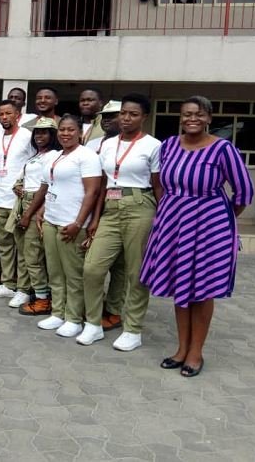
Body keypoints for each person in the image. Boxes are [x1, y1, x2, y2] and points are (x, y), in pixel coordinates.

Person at [141, 96, 253, 377]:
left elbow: (243, 193)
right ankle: (181, 349)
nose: (192, 118)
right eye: (187, 114)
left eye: (199, 114)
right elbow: (161, 185)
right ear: (181, 117)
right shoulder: (168, 146)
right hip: (173, 223)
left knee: (201, 289)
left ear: (209, 118)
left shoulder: (222, 149)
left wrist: (220, 222)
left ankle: (196, 353)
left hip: (209, 228)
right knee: (181, 286)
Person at [80, 93, 162, 350]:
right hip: (110, 208)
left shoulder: (153, 145)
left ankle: (133, 329)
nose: (126, 118)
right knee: (92, 268)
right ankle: (93, 324)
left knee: (135, 272)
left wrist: (161, 219)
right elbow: (103, 182)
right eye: (123, 113)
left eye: (133, 114)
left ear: (144, 117)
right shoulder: (106, 144)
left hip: (140, 205)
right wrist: (95, 218)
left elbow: (159, 186)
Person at [20, 115, 101, 337]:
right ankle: (58, 312)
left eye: (70, 130)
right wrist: (40, 211)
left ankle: (74, 318)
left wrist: (78, 223)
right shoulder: (54, 156)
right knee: (55, 271)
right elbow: (47, 187)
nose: (65, 133)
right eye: (62, 130)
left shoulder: (87, 156)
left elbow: (92, 192)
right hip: (51, 220)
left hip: (72, 223)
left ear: (79, 132)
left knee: (73, 274)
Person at [83, 99, 128, 331]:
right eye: (105, 116)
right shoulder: (93, 145)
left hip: (124, 207)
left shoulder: (138, 144)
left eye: (114, 115)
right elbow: (95, 183)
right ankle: (92, 305)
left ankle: (113, 310)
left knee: (119, 266)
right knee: (92, 264)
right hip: (95, 206)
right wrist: (93, 216)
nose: (108, 120)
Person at [0, 100, 34, 302]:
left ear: (17, 114)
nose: (4, 118)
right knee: (4, 245)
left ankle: (23, 289)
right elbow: (0, 171)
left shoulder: (27, 136)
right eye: (1, 114)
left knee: (21, 246)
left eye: (8, 114)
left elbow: (33, 164)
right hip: (2, 198)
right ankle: (8, 284)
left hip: (19, 200)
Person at [14, 117, 61, 315]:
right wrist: (18, 185)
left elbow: (45, 186)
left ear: (52, 135)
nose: (40, 136)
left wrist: (30, 213)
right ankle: (33, 291)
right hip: (24, 201)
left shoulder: (54, 155)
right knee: (26, 252)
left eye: (44, 132)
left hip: (38, 205)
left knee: (34, 255)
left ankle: (43, 298)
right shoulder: (35, 156)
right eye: (37, 132)